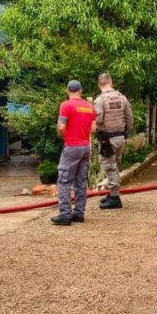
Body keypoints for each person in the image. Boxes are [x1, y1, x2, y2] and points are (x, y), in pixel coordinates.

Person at [52, 80, 96, 226]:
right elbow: (93, 129)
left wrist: (62, 134)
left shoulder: (66, 105)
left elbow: (61, 127)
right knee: (81, 181)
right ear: (81, 90)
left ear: (67, 90)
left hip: (71, 146)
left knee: (64, 181)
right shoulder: (90, 107)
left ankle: (65, 214)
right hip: (85, 147)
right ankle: (79, 214)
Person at [94, 72, 133, 210]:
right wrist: (125, 131)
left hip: (107, 139)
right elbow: (129, 118)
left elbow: (98, 119)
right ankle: (112, 194)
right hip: (120, 137)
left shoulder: (100, 100)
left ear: (99, 85)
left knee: (110, 166)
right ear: (111, 82)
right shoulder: (122, 98)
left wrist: (95, 129)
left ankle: (115, 198)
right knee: (116, 164)